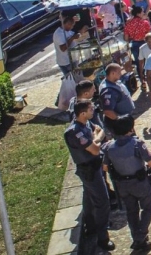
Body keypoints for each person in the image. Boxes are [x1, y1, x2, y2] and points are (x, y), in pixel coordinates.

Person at [101, 115, 151, 253]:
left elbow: (105, 167)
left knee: (131, 212)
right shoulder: (137, 143)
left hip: (122, 185)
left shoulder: (108, 146)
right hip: (140, 183)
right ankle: (140, 236)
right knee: (149, 207)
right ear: (130, 128)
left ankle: (139, 240)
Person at [64, 100, 114, 252]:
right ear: (83, 113)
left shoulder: (86, 123)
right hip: (89, 171)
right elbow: (94, 150)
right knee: (102, 202)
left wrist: (96, 138)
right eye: (91, 109)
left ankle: (91, 226)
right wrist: (96, 140)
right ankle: (103, 237)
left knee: (89, 199)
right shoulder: (74, 132)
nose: (94, 111)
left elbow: (101, 130)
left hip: (95, 166)